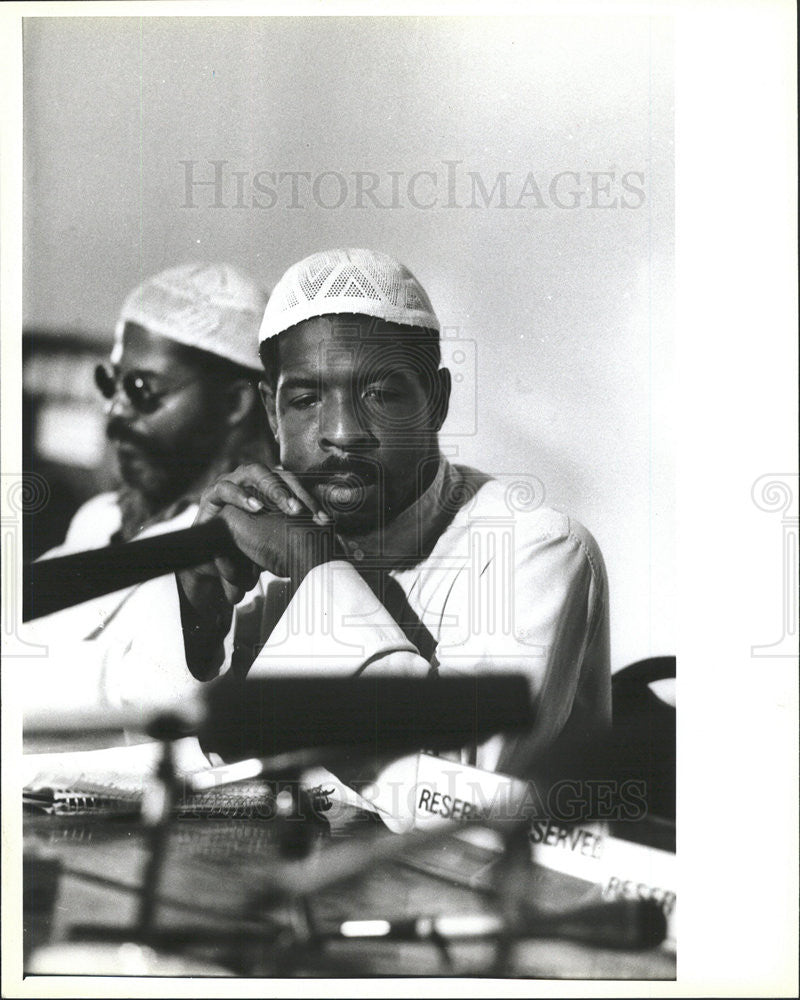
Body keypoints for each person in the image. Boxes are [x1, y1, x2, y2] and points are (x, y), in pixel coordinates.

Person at [176, 248, 611, 778]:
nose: (342, 433)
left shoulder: (538, 547)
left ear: (437, 400)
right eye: (307, 400)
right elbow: (176, 765)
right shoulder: (268, 533)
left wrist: (317, 568)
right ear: (271, 411)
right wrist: (199, 628)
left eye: (380, 394)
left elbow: (462, 786)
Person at [22, 263, 269, 728]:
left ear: (235, 403)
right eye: (109, 384)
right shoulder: (98, 518)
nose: (113, 412)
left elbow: (165, 713)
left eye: (141, 389)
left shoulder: (251, 553)